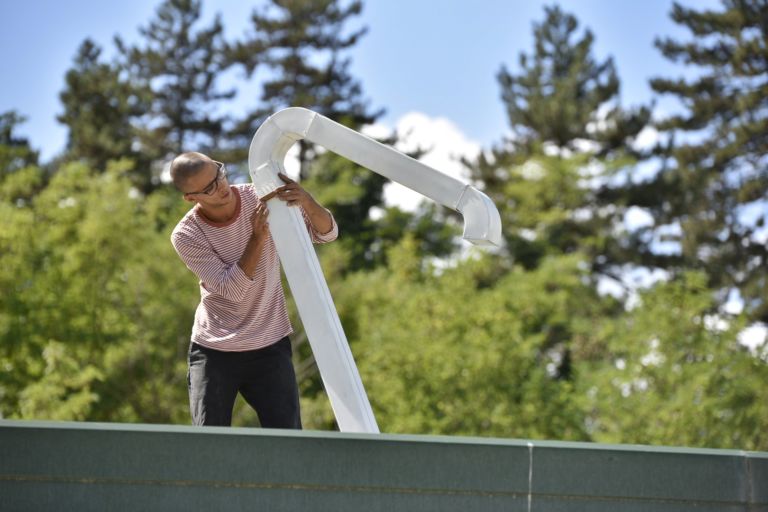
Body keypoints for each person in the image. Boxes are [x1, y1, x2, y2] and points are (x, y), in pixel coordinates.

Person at [169, 151, 338, 428]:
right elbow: (232, 289)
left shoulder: (259, 198)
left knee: (289, 440)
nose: (222, 186)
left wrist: (306, 200)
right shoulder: (187, 235)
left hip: (269, 343)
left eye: (219, 174)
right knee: (208, 442)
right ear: (191, 197)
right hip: (214, 349)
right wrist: (257, 238)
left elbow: (327, 233)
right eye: (210, 188)